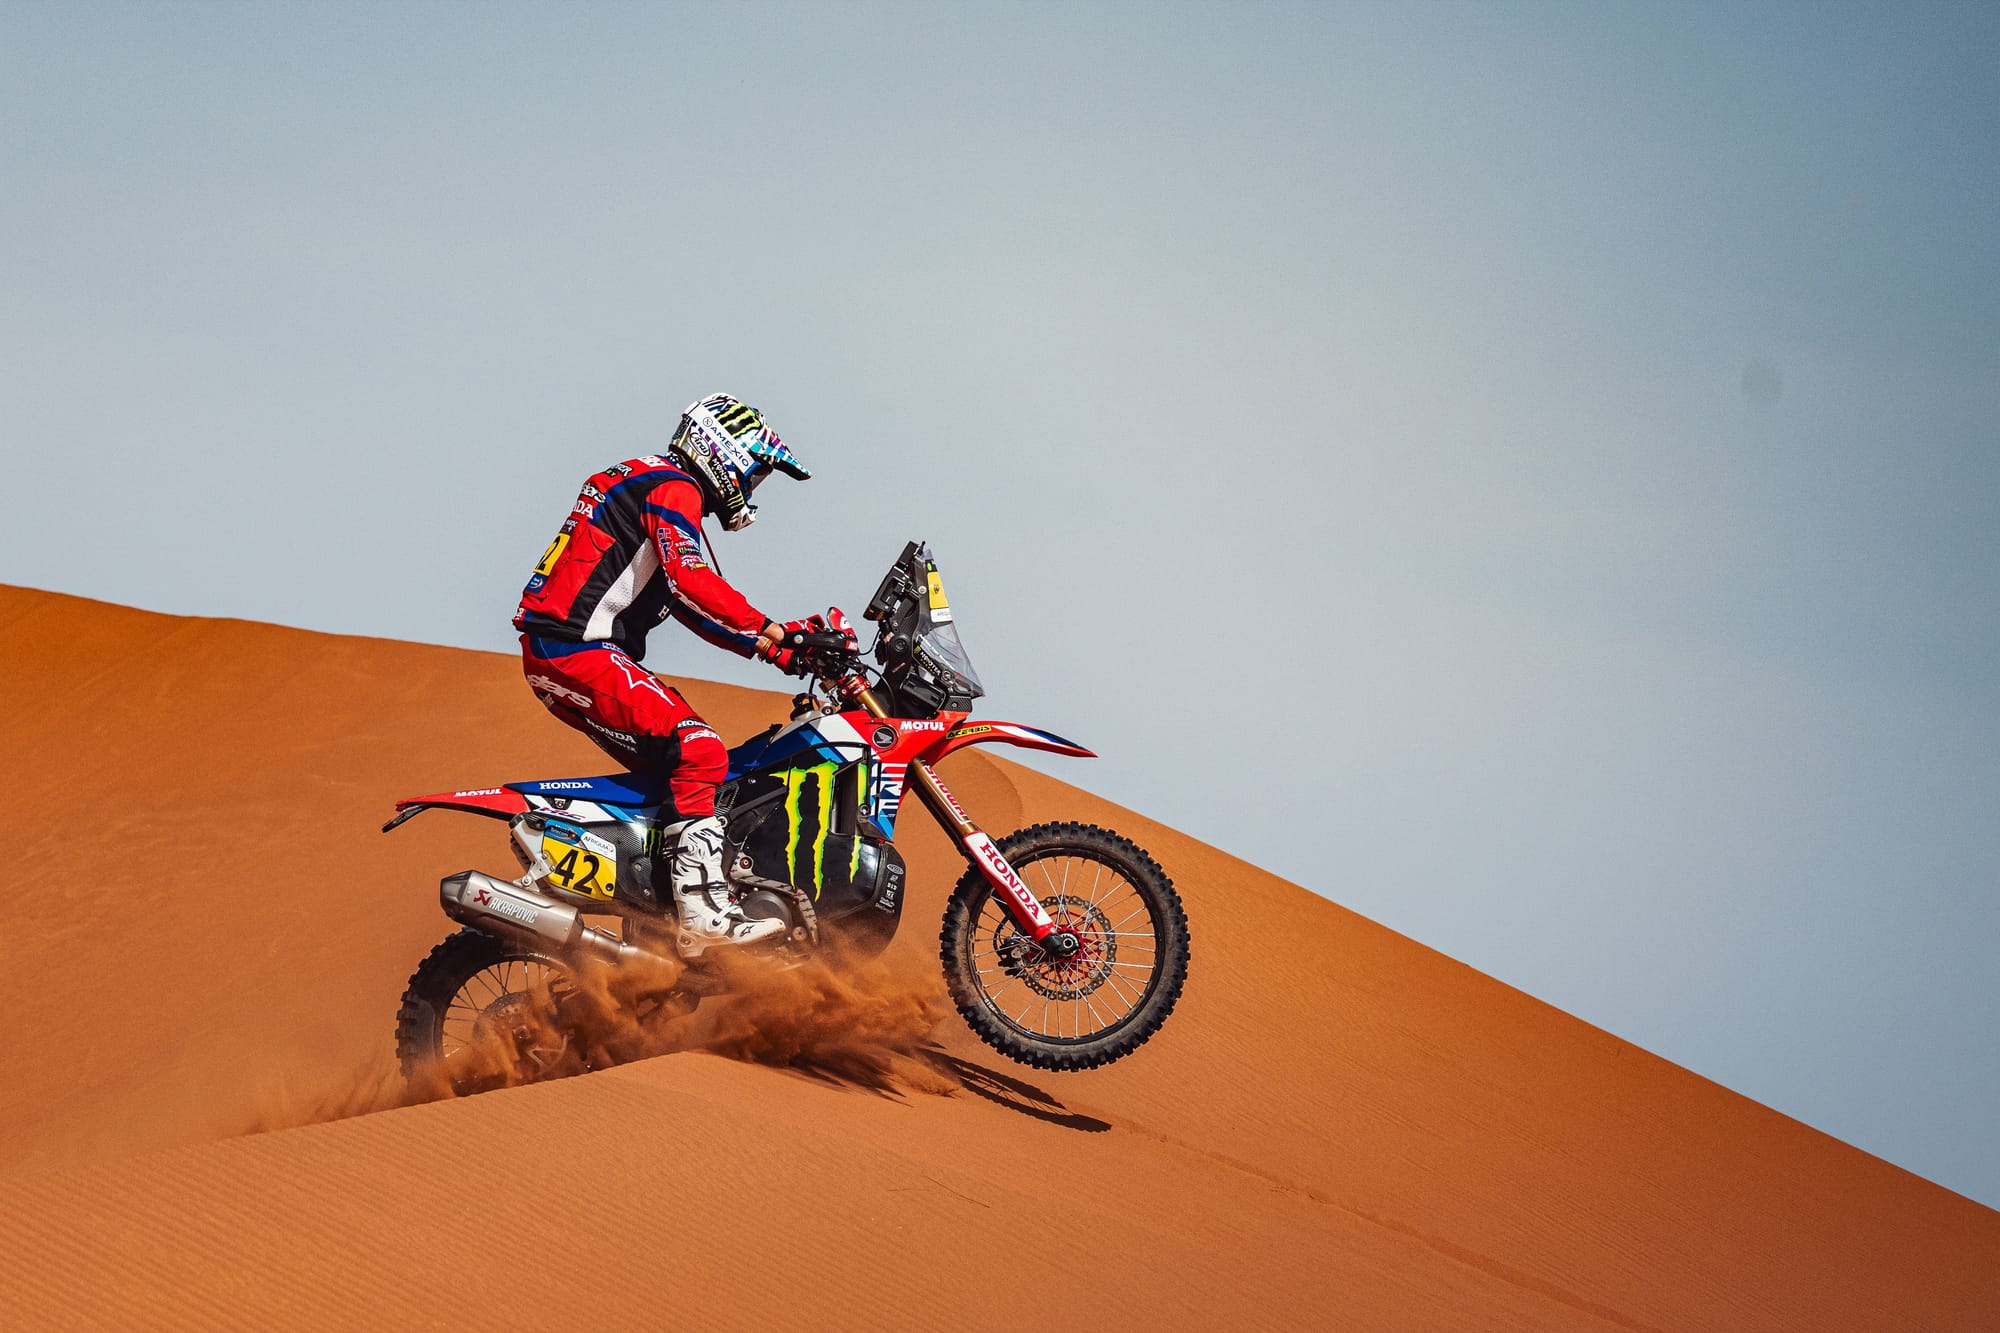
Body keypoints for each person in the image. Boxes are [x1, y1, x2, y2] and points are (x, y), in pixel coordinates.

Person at [512, 392, 853, 956]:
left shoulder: (651, 481)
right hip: (578, 651)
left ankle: (655, 926)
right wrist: (775, 630)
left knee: (680, 777)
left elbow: (689, 604)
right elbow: (691, 582)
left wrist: (779, 650)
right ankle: (703, 918)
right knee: (700, 751)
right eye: (756, 470)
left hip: (563, 650)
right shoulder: (675, 487)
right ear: (725, 451)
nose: (752, 486)